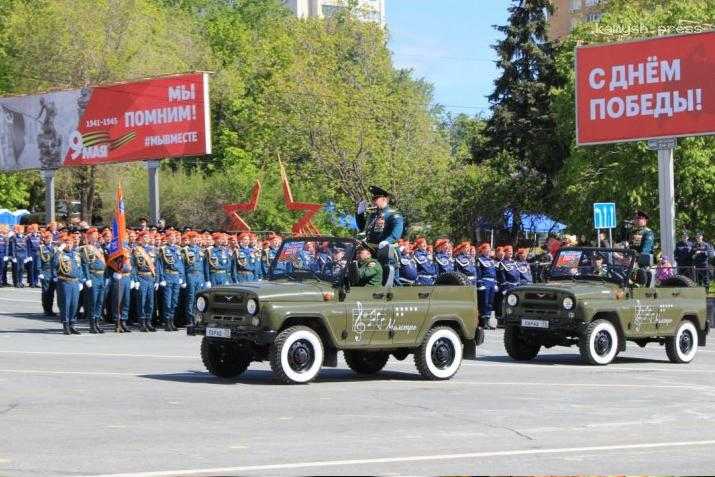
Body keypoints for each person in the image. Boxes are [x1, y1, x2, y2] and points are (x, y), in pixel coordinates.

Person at [356, 186, 404, 281]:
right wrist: (359, 215)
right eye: (373, 199)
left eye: (376, 198)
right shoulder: (373, 215)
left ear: (384, 199)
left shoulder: (393, 214)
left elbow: (397, 231)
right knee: (373, 280)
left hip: (386, 251)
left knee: (390, 279)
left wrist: (388, 241)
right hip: (372, 252)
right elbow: (362, 228)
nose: (374, 201)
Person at [53, 234, 85, 335]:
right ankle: (65, 325)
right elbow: (54, 264)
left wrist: (81, 281)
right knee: (65, 304)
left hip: (75, 282)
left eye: (70, 243)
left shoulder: (76, 254)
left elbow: (79, 268)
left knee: (74, 304)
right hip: (65, 282)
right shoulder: (60, 254)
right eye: (67, 243)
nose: (69, 245)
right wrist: (59, 250)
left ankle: (72, 324)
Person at [79, 228, 107, 334]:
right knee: (93, 302)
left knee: (100, 302)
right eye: (93, 235)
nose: (96, 237)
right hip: (93, 276)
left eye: (96, 235)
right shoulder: (85, 248)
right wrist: (87, 278)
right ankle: (92, 324)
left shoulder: (99, 248)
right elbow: (84, 264)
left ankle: (97, 323)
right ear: (88, 236)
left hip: (101, 276)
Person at [157, 231, 185, 331]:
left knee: (174, 301)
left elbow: (181, 265)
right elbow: (160, 266)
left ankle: (172, 321)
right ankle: (167, 322)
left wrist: (182, 278)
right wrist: (162, 278)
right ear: (167, 238)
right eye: (171, 237)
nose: (173, 239)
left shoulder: (178, 249)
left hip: (176, 277)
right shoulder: (163, 249)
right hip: (168, 275)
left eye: (174, 237)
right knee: (167, 301)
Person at [132, 232, 158, 332]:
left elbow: (157, 266)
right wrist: (135, 280)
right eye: (145, 237)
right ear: (141, 238)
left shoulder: (153, 249)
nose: (146, 239)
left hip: (150, 278)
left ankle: (149, 322)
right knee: (142, 301)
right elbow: (133, 266)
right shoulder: (136, 250)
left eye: (148, 237)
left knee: (150, 302)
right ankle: (142, 323)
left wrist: (157, 279)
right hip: (141, 277)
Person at [182, 231, 208, 327]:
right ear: (190, 239)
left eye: (197, 238)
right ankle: (190, 318)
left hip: (199, 275)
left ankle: (198, 318)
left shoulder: (201, 250)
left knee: (199, 298)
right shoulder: (185, 250)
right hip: (191, 275)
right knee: (191, 297)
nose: (196, 240)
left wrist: (205, 279)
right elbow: (183, 266)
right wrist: (184, 279)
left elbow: (204, 266)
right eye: (194, 238)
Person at [476, 243, 498, 327]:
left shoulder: (491, 261)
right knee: (484, 302)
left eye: (489, 249)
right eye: (487, 249)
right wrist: (480, 283)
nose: (488, 250)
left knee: (490, 302)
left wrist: (495, 283)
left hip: (492, 282)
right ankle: (483, 321)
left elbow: (494, 273)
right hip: (485, 282)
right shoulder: (480, 260)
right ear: (483, 250)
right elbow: (478, 273)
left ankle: (488, 320)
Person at [38, 232, 56, 316]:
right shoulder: (41, 249)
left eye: (50, 238)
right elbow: (38, 261)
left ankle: (50, 309)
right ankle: (46, 309)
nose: (49, 239)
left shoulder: (54, 248)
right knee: (46, 292)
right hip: (45, 272)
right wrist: (40, 272)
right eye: (47, 238)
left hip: (53, 273)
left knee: (51, 292)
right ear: (44, 239)